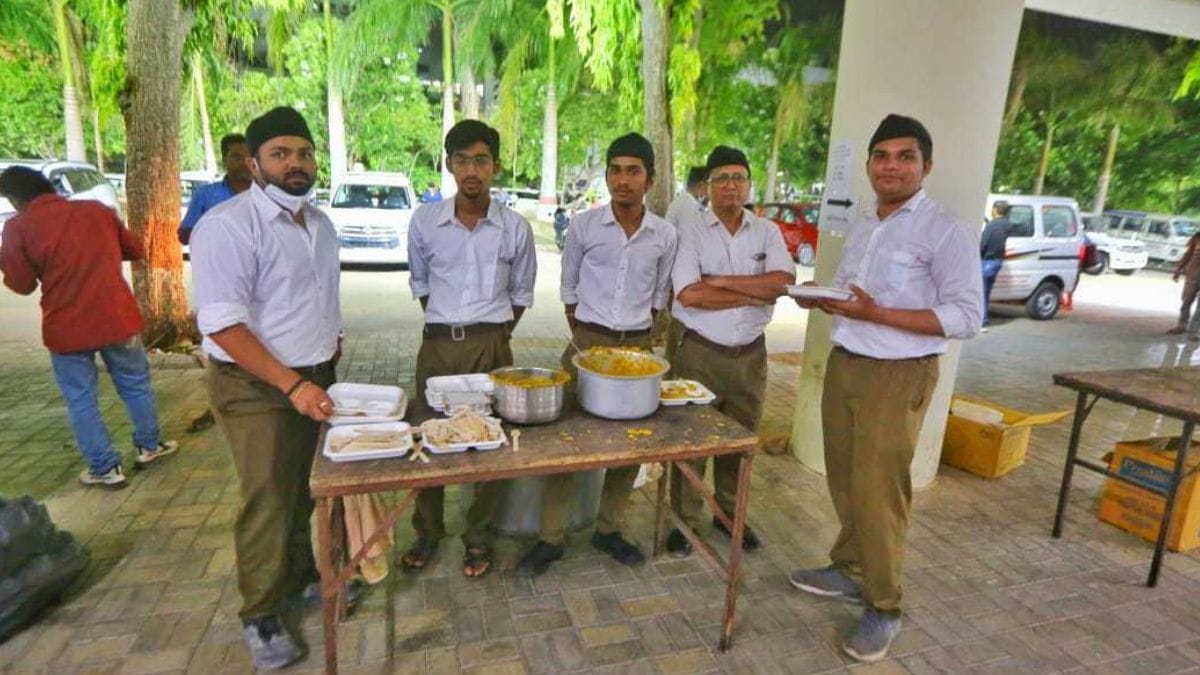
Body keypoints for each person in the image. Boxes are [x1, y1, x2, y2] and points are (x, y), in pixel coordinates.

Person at [788, 114, 982, 663]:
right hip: (847, 361)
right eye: (882, 156)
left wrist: (877, 313)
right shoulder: (870, 223)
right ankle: (849, 568)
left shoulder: (946, 230)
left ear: (926, 166)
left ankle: (884, 605)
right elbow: (857, 296)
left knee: (880, 491)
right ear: (870, 164)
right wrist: (829, 300)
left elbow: (966, 317)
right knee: (845, 477)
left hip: (897, 376)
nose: (891, 166)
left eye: (905, 157)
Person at [191, 106, 347, 671]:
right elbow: (224, 325)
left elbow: (315, 299)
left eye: (303, 152)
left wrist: (328, 353)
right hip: (257, 385)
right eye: (281, 154)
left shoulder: (321, 224)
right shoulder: (228, 226)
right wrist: (291, 384)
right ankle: (260, 615)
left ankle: (305, 578)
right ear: (254, 164)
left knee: (307, 488)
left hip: (313, 375)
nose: (296, 163)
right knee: (268, 497)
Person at [517, 133, 677, 577]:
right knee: (566, 439)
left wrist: (638, 336)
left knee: (630, 444)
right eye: (615, 170)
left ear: (650, 178)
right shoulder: (585, 226)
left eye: (634, 171)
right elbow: (568, 288)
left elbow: (661, 293)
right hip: (586, 340)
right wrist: (585, 334)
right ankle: (550, 538)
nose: (623, 180)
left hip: (638, 347)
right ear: (607, 174)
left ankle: (610, 528)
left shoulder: (665, 235)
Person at [403, 119, 537, 579]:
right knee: (427, 438)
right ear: (449, 165)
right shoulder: (425, 221)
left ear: (495, 166)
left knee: (489, 443)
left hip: (492, 345)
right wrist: (451, 327)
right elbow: (422, 284)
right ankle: (427, 531)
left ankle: (478, 536)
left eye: (481, 159)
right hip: (438, 346)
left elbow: (521, 295)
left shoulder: (515, 228)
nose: (471, 170)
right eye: (461, 160)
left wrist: (491, 336)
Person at [0, 167, 178, 489]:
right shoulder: (97, 211)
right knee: (136, 384)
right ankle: (149, 447)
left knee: (81, 399)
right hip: (117, 318)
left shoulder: (17, 228)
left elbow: (22, 284)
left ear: (15, 198)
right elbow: (135, 250)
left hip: (66, 326)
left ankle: (105, 468)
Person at [665, 146, 795, 557]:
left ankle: (728, 516)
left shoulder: (767, 232)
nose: (731, 185)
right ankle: (681, 522)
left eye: (739, 177)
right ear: (707, 186)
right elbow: (689, 293)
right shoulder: (691, 232)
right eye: (722, 178)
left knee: (739, 443)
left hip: (750, 358)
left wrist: (721, 282)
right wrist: (748, 290)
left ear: (749, 184)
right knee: (691, 441)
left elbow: (780, 284)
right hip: (699, 354)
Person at [177, 133, 253, 245]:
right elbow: (184, 237)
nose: (245, 163)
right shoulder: (205, 195)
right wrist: (214, 226)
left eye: (249, 158)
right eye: (237, 157)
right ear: (224, 160)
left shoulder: (266, 193)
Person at [979, 200, 1011, 330]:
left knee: (981, 293)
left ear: (995, 210)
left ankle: (982, 322)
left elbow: (982, 245)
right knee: (986, 292)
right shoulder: (1007, 225)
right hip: (997, 262)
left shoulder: (992, 225)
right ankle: (983, 320)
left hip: (987, 262)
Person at [1169, 230, 1200, 339]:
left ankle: (1194, 331)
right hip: (1192, 277)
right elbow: (1188, 254)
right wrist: (1178, 269)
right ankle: (1181, 325)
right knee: (1186, 301)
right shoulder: (1197, 237)